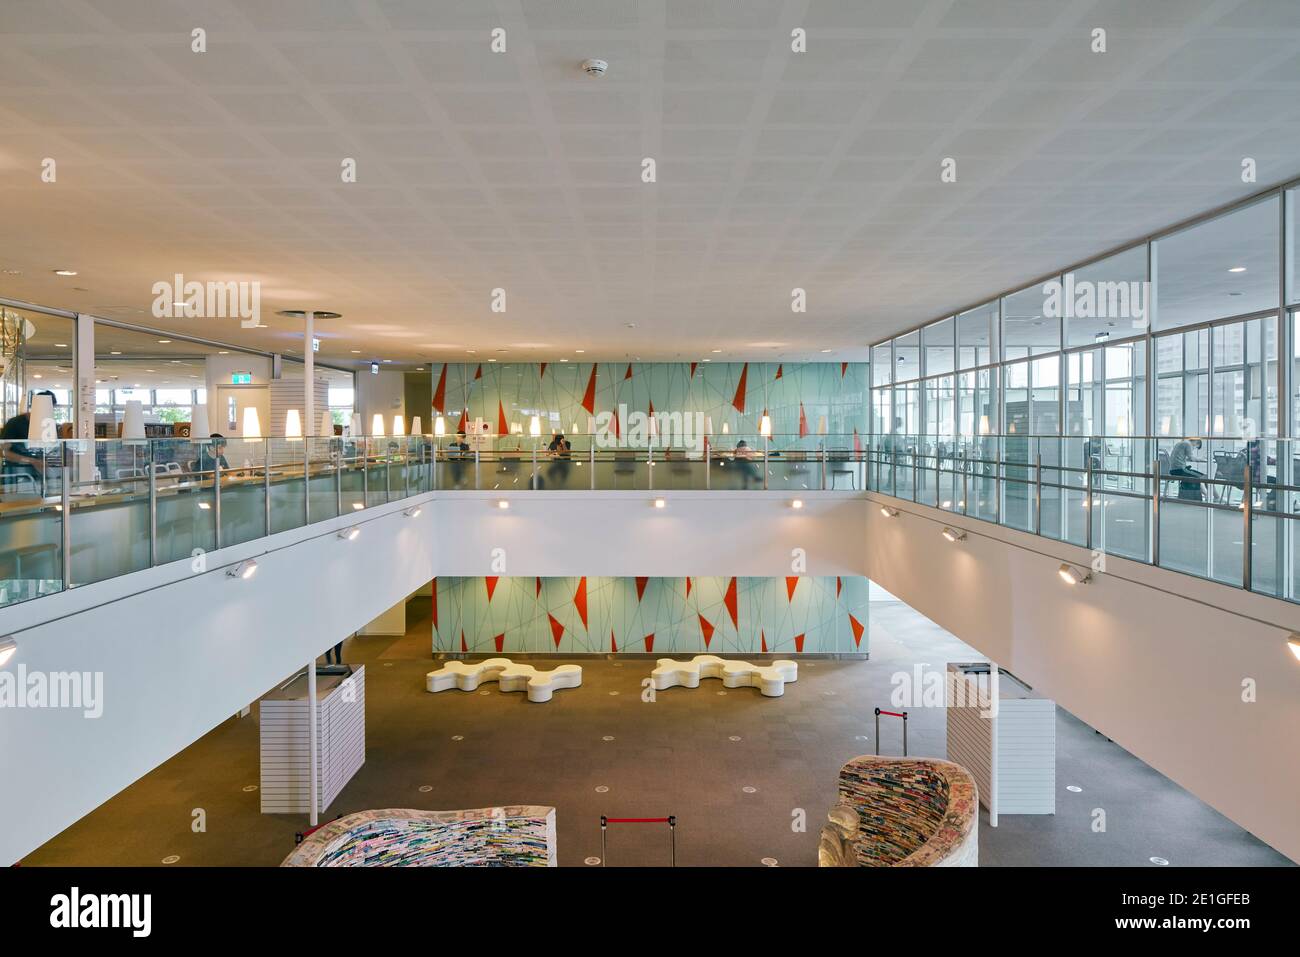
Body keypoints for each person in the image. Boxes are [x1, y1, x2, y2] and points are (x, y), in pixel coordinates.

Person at [1, 390, 56, 490]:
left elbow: (50, 449)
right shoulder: (15, 423)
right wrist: (32, 461)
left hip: (38, 476)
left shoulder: (48, 424)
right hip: (16, 475)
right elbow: (4, 452)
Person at [1167, 436, 1204, 501]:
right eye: (1196, 447)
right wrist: (1202, 459)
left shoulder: (1181, 443)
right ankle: (1208, 496)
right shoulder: (1188, 444)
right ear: (1196, 442)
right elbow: (1191, 458)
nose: (1194, 448)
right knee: (1200, 476)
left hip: (1174, 469)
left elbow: (1182, 457)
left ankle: (1210, 496)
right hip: (1179, 470)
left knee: (1201, 475)